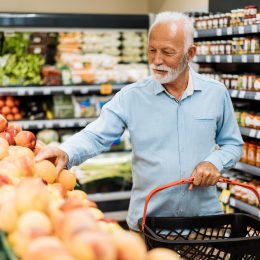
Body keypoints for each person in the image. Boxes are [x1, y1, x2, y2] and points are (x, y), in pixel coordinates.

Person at [35, 11, 243, 231]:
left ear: (190, 53)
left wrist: (214, 163)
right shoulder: (131, 96)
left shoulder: (216, 93)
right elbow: (96, 135)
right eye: (152, 50)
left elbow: (233, 144)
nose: (157, 60)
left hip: (205, 225)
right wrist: (66, 151)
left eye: (167, 52)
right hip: (149, 226)